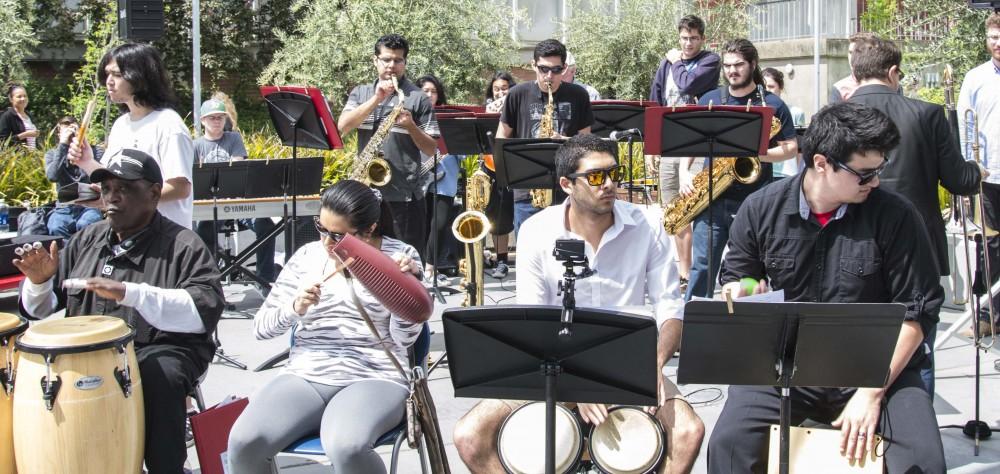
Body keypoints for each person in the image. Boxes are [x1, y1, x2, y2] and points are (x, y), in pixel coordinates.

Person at [707, 102, 946, 473]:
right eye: (864, 174)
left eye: (879, 170)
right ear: (821, 163)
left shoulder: (898, 216)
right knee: (729, 445)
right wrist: (739, 292)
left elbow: (917, 314)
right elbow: (736, 278)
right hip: (784, 368)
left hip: (879, 367)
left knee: (923, 461)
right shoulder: (759, 209)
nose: (876, 182)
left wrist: (872, 392)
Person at [453, 134, 704, 473]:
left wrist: (654, 366)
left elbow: (670, 308)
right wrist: (577, 384)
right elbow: (533, 323)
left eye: (614, 173)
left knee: (689, 431)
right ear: (566, 184)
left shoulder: (648, 224)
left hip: (629, 367)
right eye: (597, 177)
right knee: (470, 435)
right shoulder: (536, 231)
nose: (610, 184)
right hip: (554, 364)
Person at [15, 149, 225, 474]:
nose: (112, 198)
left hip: (160, 348)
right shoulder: (86, 239)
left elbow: (203, 311)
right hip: (89, 352)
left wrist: (132, 293)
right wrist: (40, 283)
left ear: (154, 194)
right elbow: (39, 312)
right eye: (107, 189)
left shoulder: (184, 245)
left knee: (159, 374)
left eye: (124, 189)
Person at [226, 179, 424, 474]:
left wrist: (403, 289)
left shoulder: (398, 256)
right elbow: (261, 329)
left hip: (374, 373)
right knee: (243, 442)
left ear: (368, 229)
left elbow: (405, 340)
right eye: (321, 228)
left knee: (347, 446)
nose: (327, 243)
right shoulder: (308, 256)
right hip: (308, 371)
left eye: (338, 235)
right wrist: (295, 308)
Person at [848, 36, 985, 394]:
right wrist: (978, 171)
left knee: (854, 344)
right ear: (894, 72)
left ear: (855, 71)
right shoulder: (927, 113)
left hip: (851, 243)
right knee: (917, 342)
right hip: (916, 246)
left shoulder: (835, 114)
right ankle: (914, 421)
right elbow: (958, 180)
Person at [682, 38, 798, 300]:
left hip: (754, 202)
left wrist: (757, 154)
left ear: (753, 64)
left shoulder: (772, 104)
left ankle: (749, 324)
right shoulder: (711, 99)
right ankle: (689, 324)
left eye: (738, 65)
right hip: (712, 198)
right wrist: (684, 174)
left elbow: (790, 147)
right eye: (727, 66)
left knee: (753, 271)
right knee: (702, 266)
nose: (732, 71)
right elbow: (691, 142)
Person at [69, 42, 195, 229]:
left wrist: (125, 199)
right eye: (107, 74)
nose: (109, 81)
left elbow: (180, 187)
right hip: (125, 236)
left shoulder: (168, 124)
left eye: (117, 75)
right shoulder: (121, 125)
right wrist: (87, 162)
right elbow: (115, 177)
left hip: (163, 238)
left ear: (140, 78)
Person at [338, 33, 440, 261]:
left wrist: (411, 126)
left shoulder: (417, 98)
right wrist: (376, 99)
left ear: (405, 63)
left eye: (398, 60)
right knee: (364, 261)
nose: (391, 66)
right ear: (375, 60)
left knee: (405, 262)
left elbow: (432, 149)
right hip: (365, 193)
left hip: (402, 195)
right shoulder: (361, 93)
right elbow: (342, 127)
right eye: (386, 60)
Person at [649, 14, 721, 292]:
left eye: (693, 38)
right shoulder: (666, 63)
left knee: (690, 204)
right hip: (668, 142)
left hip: (694, 142)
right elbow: (656, 99)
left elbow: (687, 85)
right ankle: (677, 268)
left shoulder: (709, 61)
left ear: (702, 39)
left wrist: (677, 61)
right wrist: (651, 146)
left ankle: (689, 270)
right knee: (671, 208)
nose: (688, 43)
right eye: (683, 38)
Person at [498, 38, 594, 239]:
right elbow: (502, 137)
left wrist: (565, 140)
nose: (549, 76)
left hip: (567, 188)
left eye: (556, 70)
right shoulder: (517, 94)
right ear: (533, 65)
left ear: (565, 68)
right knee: (528, 250)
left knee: (564, 255)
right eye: (543, 69)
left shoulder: (578, 95)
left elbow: (586, 141)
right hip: (526, 190)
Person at [192, 98, 278, 286]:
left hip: (239, 203)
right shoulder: (196, 145)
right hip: (211, 206)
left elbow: (237, 168)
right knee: (203, 231)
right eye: (212, 118)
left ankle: (264, 278)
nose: (216, 121)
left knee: (267, 227)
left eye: (220, 117)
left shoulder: (233, 138)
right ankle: (209, 282)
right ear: (203, 120)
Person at [959, 12, 1000, 336]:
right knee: (988, 249)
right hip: (989, 176)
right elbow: (964, 124)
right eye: (992, 37)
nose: (997, 44)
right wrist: (968, 166)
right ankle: (987, 314)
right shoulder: (975, 77)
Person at [414, 74, 461, 280]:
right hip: (419, 179)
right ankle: (419, 266)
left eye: (433, 91)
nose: (430, 95)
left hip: (446, 179)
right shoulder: (412, 116)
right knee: (421, 224)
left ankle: (431, 268)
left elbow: (463, 147)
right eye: (425, 91)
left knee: (439, 224)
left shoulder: (449, 118)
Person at [44, 116, 104, 239]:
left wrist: (81, 145)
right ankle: (67, 256)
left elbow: (102, 177)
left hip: (89, 205)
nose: (70, 133)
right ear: (59, 132)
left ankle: (84, 256)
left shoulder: (94, 152)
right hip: (64, 207)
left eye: (73, 128)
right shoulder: (52, 154)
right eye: (65, 129)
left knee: (86, 224)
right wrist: (63, 145)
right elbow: (52, 176)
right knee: (56, 227)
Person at [483, 71, 517, 278]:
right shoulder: (489, 108)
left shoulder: (516, 105)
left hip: (515, 164)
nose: (500, 92)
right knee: (498, 215)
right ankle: (501, 259)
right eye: (496, 89)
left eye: (504, 88)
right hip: (493, 166)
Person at [761, 67, 806, 177]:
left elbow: (799, 150)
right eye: (764, 87)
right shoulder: (758, 114)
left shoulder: (796, 112)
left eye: (771, 86)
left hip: (787, 173)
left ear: (780, 87)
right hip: (764, 172)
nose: (767, 90)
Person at [828, 32, 876, 104]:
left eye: (858, 52)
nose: (853, 58)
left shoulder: (887, 85)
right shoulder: (840, 88)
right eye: (850, 52)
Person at [0, 83, 39, 149]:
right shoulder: (7, 116)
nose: (23, 99)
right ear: (11, 99)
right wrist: (25, 135)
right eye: (19, 96)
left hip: (33, 157)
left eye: (25, 96)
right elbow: (2, 141)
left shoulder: (29, 115)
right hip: (17, 158)